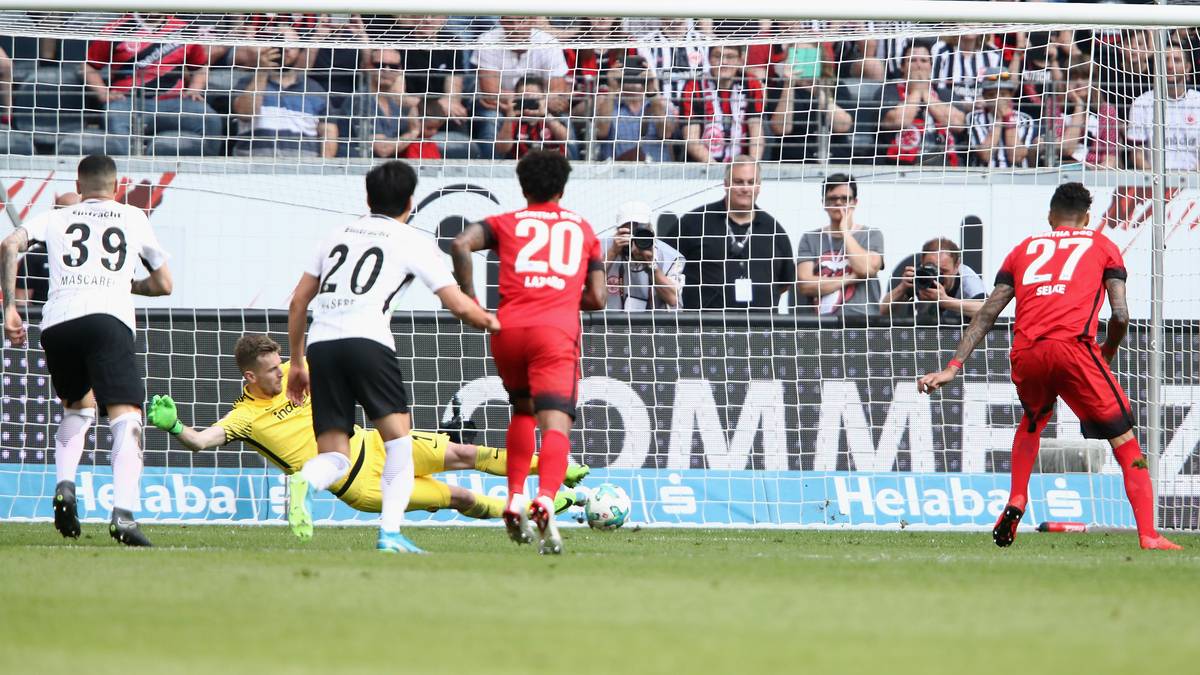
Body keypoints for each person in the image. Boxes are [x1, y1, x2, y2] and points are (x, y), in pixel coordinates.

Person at [918, 182, 1181, 551]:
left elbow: (989, 313)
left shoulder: (1023, 250)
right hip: (1074, 350)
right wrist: (1107, 349)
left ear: (1049, 216)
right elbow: (1120, 313)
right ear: (1087, 218)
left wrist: (952, 367)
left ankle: (1017, 498)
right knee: (1125, 442)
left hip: (1026, 351)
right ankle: (1149, 535)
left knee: (1032, 420)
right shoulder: (1103, 246)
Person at [284, 160, 499, 554]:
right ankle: (390, 534)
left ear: (367, 197)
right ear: (411, 202)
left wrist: (297, 363)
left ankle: (305, 481)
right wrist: (497, 323)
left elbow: (298, 302)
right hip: (369, 342)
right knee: (399, 444)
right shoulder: (412, 240)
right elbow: (459, 306)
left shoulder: (334, 235)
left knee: (334, 455)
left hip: (322, 345)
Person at [145, 334, 589, 523]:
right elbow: (201, 442)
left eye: (280, 364)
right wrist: (177, 426)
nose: (280, 374)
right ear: (250, 378)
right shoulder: (243, 418)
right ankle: (533, 512)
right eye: (270, 371)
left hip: (376, 444)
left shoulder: (301, 372)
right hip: (360, 485)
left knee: (464, 453)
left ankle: (552, 472)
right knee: (459, 497)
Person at [0, 155, 174, 546]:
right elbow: (164, 284)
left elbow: (10, 243)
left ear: (78, 188)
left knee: (78, 407)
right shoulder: (133, 217)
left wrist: (10, 307)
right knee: (126, 414)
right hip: (107, 318)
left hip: (57, 322)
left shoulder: (56, 216)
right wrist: (124, 285)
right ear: (116, 188)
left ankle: (65, 485)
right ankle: (124, 516)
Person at [449, 150, 607, 555]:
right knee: (555, 424)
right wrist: (561, 291)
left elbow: (461, 243)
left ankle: (515, 496)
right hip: (554, 332)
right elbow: (599, 298)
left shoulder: (507, 222)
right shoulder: (584, 229)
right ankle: (546, 499)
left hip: (507, 328)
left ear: (523, 187)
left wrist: (470, 303)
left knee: (521, 409)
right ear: (562, 188)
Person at [666, 157, 794, 310]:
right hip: (703, 326)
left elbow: (785, 282)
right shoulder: (694, 222)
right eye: (739, 182)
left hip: (760, 328)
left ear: (758, 186)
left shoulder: (773, 229)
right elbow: (665, 264)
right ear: (726, 184)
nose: (745, 188)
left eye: (751, 182)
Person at [84, 13, 221, 156]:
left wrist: (194, 89)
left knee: (210, 119)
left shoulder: (184, 29)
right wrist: (103, 93)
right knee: (115, 116)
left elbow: (200, 67)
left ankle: (208, 172)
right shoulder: (115, 28)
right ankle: (126, 173)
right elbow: (90, 66)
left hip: (175, 103)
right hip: (127, 102)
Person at [230, 25, 339, 158]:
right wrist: (262, 70)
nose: (286, 49)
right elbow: (245, 114)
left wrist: (322, 169)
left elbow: (329, 132)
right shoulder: (247, 82)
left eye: (291, 45)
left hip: (304, 171)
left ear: (300, 51)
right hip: (252, 168)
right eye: (280, 42)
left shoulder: (315, 89)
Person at [795, 173, 885, 317]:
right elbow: (805, 284)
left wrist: (844, 231)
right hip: (821, 324)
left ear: (855, 202)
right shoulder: (810, 238)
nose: (838, 203)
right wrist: (851, 278)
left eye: (845, 199)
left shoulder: (871, 234)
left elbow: (866, 269)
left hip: (862, 321)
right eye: (832, 199)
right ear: (824, 203)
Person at [879, 42, 965, 167]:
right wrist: (917, 91)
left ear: (930, 66)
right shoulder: (889, 90)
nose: (918, 65)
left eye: (924, 61)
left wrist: (925, 93)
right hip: (899, 164)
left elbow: (958, 124)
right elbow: (899, 120)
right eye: (913, 60)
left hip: (943, 162)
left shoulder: (945, 94)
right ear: (902, 67)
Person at [680, 45, 765, 162]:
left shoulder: (751, 84)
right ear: (709, 59)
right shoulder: (693, 86)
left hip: (742, 165)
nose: (723, 62)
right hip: (705, 167)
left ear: (740, 60)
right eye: (717, 56)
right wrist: (717, 170)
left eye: (730, 57)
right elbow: (692, 140)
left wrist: (750, 167)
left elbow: (756, 133)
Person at [878, 237, 986, 324]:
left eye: (943, 270)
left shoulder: (967, 279)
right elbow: (882, 311)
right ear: (922, 262)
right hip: (927, 333)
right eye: (932, 267)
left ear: (957, 265)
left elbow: (989, 311)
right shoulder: (920, 274)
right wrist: (902, 288)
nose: (937, 275)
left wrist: (945, 301)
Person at [1127, 44, 1200, 171]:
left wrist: (1191, 180)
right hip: (1154, 182)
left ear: (1188, 67)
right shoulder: (1142, 102)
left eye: (1176, 60)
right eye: (1165, 60)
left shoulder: (1197, 101)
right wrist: (1155, 180)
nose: (1170, 66)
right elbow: (1136, 153)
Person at [602, 201, 685, 310]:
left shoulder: (669, 256)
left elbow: (673, 299)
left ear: (650, 230)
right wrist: (612, 253)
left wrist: (651, 266)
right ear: (618, 230)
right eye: (628, 232)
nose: (633, 238)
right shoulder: (602, 247)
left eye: (639, 232)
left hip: (653, 325)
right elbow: (586, 287)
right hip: (609, 324)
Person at [593, 55, 672, 162]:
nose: (634, 75)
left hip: (656, 172)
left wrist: (651, 89)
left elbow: (666, 133)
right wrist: (612, 88)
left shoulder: (657, 104)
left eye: (639, 70)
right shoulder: (609, 104)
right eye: (627, 70)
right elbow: (601, 132)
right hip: (618, 172)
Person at [15, 192, 81, 306]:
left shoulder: (93, 253)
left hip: (81, 315)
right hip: (44, 320)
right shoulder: (36, 256)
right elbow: (21, 303)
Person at [966, 67, 1037, 169]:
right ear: (984, 97)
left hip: (1016, 177)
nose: (998, 99)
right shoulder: (974, 118)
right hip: (984, 177)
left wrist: (1008, 118)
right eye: (992, 95)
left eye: (1003, 94)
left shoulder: (1025, 119)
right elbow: (985, 156)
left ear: (1011, 95)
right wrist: (998, 120)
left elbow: (1016, 157)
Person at [494, 76, 572, 160]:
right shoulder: (512, 120)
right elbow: (501, 148)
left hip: (552, 164)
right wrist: (509, 118)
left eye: (534, 96)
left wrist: (545, 115)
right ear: (516, 98)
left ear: (543, 97)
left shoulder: (553, 116)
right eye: (524, 96)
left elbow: (566, 139)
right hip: (521, 165)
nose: (529, 100)